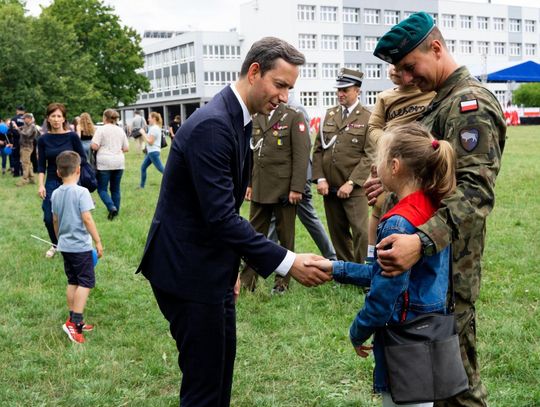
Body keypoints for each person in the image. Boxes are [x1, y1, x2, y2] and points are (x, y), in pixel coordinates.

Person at [136, 37, 332, 407]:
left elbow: (223, 209)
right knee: (205, 388)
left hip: (211, 271)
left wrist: (230, 271)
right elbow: (221, 217)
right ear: (255, 71)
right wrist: (288, 262)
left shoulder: (236, 117)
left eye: (290, 88)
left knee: (219, 373)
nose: (285, 96)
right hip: (188, 274)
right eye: (281, 85)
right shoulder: (214, 125)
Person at [369, 12, 506, 407]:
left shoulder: (469, 105)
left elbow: (475, 192)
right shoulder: (441, 102)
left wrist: (422, 242)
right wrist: (394, 184)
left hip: (448, 268)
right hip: (433, 268)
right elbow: (435, 173)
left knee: (457, 386)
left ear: (436, 47)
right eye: (400, 71)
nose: (406, 79)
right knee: (434, 381)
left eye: (410, 67)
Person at [308, 122, 457, 407]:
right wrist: (335, 268)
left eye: (379, 158)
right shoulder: (435, 210)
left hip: (403, 344)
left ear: (395, 166)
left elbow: (383, 296)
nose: (374, 166)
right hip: (432, 336)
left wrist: (357, 331)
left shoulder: (397, 223)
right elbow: (385, 273)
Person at [365, 66, 435, 261]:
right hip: (391, 159)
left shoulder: (431, 94)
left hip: (417, 159)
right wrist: (390, 143)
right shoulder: (385, 97)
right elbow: (373, 128)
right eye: (391, 65)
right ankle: (372, 257)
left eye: (400, 65)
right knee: (379, 205)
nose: (394, 70)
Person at [240, 102, 311, 293]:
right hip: (260, 187)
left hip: (284, 190)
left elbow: (301, 155)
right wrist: (249, 184)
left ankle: (282, 283)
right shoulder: (257, 115)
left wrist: (297, 188)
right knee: (252, 235)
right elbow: (251, 154)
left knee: (285, 238)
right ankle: (248, 281)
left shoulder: (293, 116)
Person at [312, 68, 373, 264]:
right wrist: (320, 178)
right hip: (330, 187)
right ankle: (346, 270)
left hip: (353, 189)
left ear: (358, 91)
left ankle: (362, 272)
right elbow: (319, 149)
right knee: (337, 232)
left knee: (361, 232)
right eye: (339, 90)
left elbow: (369, 154)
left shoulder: (368, 117)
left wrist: (352, 182)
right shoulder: (329, 115)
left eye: (345, 90)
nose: (340, 94)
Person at [51, 151, 103, 344]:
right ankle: (75, 323)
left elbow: (54, 220)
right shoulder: (82, 192)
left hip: (65, 245)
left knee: (73, 281)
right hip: (80, 247)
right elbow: (87, 218)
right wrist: (97, 241)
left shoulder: (55, 193)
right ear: (79, 169)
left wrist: (59, 239)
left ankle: (73, 320)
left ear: (58, 172)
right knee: (86, 282)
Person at [37, 103, 87, 258]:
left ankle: (75, 244)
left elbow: (83, 159)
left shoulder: (72, 136)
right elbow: (41, 165)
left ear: (64, 118)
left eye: (59, 116)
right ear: (48, 119)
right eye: (53, 116)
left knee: (73, 215)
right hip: (52, 180)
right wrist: (40, 185)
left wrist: (77, 181)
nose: (56, 119)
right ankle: (56, 244)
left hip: (72, 179)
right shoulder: (43, 139)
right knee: (48, 216)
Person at [91, 109, 129, 220]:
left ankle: (111, 206)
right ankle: (115, 212)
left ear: (105, 118)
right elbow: (126, 148)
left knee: (102, 189)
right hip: (119, 161)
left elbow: (94, 146)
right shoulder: (120, 130)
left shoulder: (101, 129)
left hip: (104, 162)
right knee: (115, 189)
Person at [138, 111, 164, 189]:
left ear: (154, 118)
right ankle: (141, 186)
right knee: (143, 167)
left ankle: (174, 180)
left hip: (153, 152)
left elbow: (150, 142)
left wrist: (143, 133)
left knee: (162, 169)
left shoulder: (154, 129)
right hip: (151, 152)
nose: (148, 119)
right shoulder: (153, 128)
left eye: (149, 118)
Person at [16, 113, 41, 186]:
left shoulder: (32, 126)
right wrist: (18, 128)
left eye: (24, 118)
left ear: (29, 118)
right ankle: (32, 179)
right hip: (24, 146)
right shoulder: (27, 125)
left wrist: (19, 130)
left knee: (25, 164)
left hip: (27, 147)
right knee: (28, 163)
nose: (23, 120)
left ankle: (24, 179)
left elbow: (26, 134)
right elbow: (22, 128)